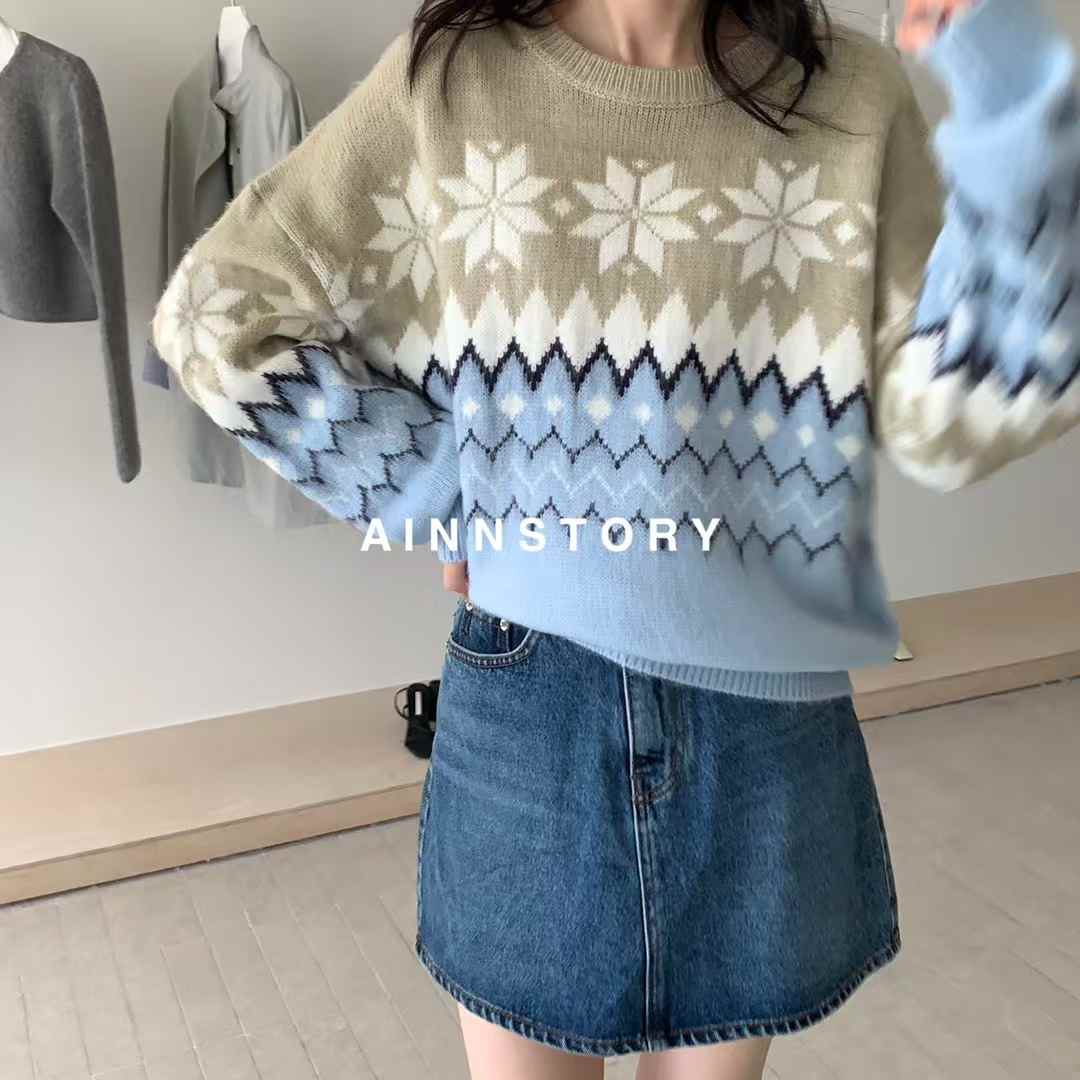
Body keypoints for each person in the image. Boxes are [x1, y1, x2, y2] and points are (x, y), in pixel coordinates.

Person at [150, 0, 1079, 1076]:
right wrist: (449, 491)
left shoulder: (851, 97)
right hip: (535, 711)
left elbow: (954, 411)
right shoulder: (454, 82)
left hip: (767, 724)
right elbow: (217, 315)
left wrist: (1018, 104)